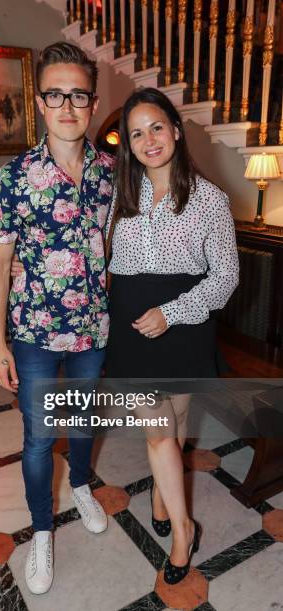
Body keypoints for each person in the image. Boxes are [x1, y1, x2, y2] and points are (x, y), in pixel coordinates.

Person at [0, 42, 115, 595]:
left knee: (83, 424)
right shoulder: (13, 178)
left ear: (92, 101)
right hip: (34, 332)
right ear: (39, 102)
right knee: (39, 438)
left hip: (94, 331)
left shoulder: (111, 173)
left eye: (78, 94)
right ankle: (42, 532)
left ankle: (81, 485)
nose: (68, 105)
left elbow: (113, 245)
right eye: (56, 94)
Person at [104, 87, 239, 584]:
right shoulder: (119, 192)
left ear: (177, 131)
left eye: (156, 127)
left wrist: (175, 312)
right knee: (159, 426)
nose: (148, 140)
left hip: (184, 323)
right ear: (129, 144)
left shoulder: (210, 200)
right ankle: (184, 530)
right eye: (136, 133)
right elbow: (100, 256)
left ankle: (162, 497)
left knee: (176, 419)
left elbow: (226, 276)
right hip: (132, 326)